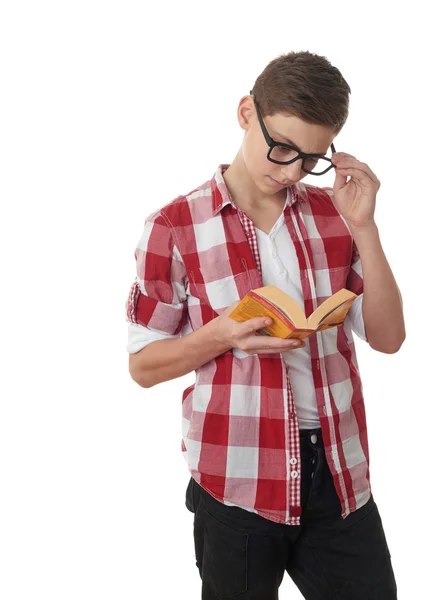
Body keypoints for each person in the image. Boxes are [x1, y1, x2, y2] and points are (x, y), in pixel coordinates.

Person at [125, 50, 405, 599]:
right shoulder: (174, 226)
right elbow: (142, 367)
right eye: (281, 148)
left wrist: (366, 228)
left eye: (310, 159)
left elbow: (390, 339)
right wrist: (220, 335)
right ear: (246, 112)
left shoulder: (335, 216)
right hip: (236, 480)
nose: (291, 171)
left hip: (338, 476)